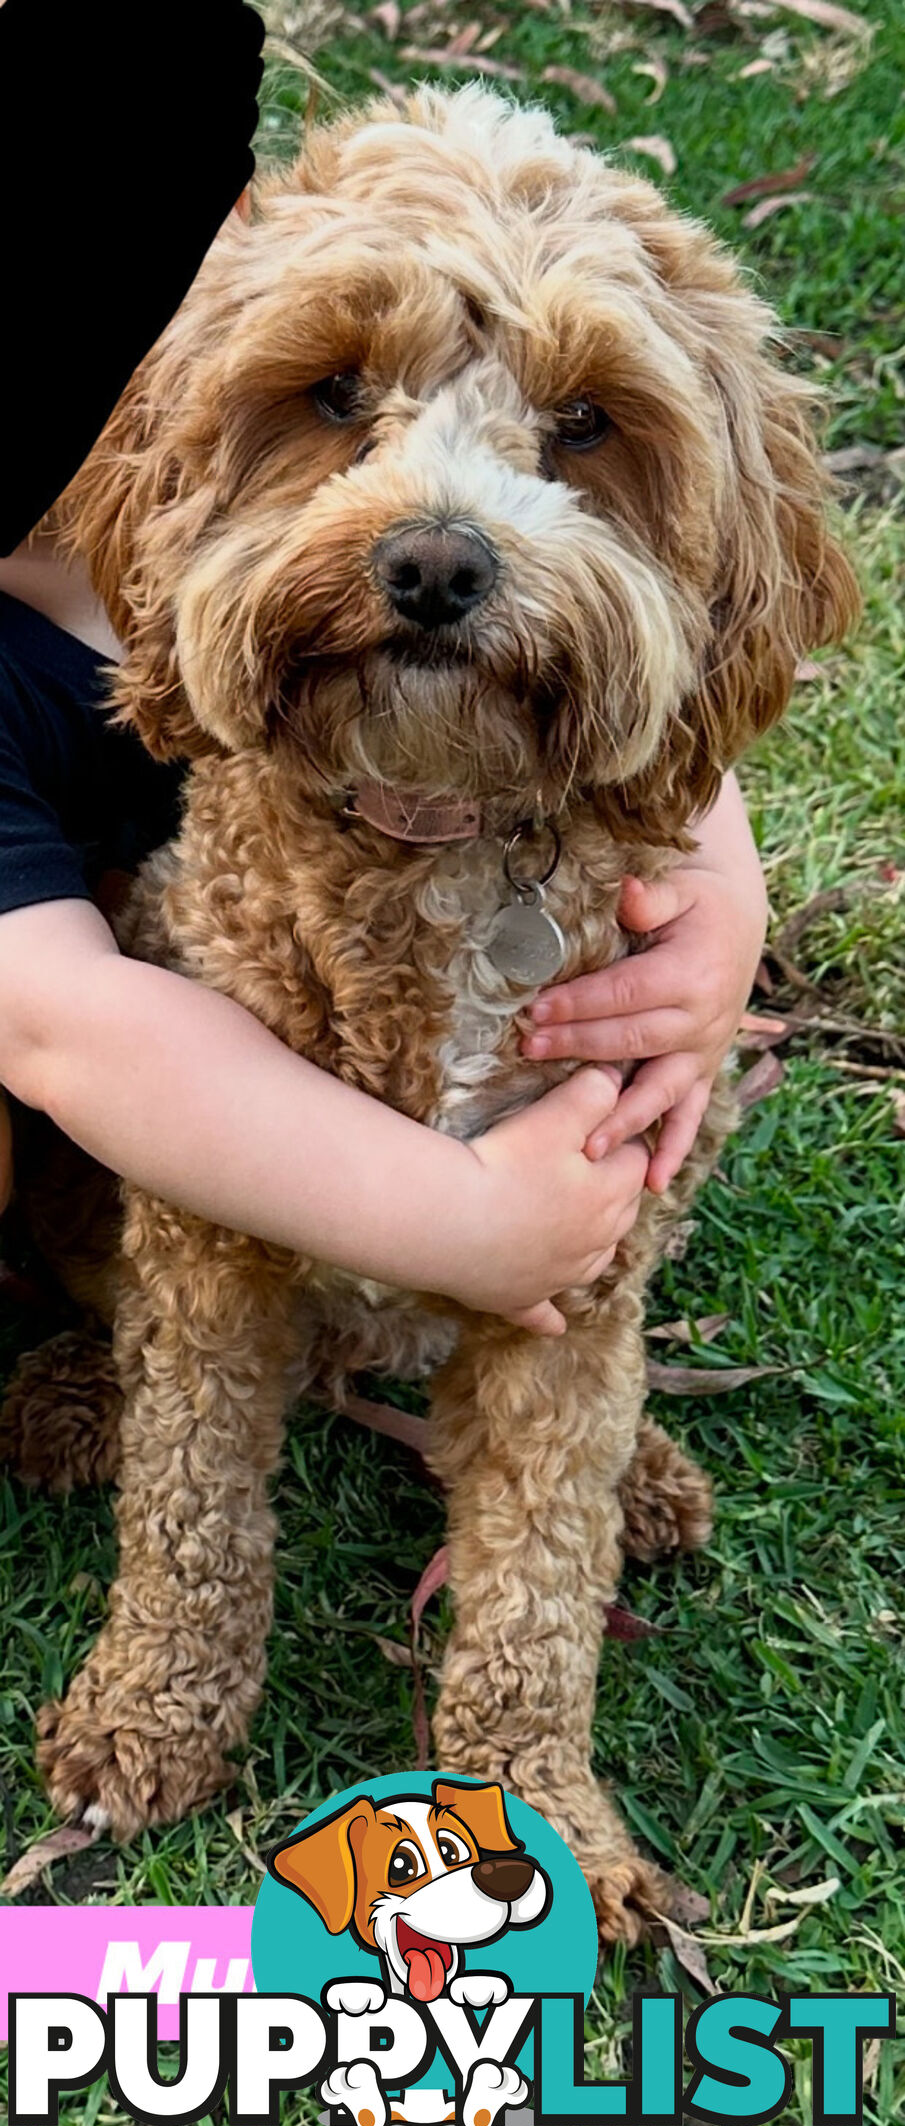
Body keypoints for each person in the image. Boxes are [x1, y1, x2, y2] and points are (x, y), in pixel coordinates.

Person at [0, 0, 767, 1341]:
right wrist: (455, 1220)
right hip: (128, 1106)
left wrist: (718, 887)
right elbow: (68, 1025)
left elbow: (678, 641)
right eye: (340, 400)